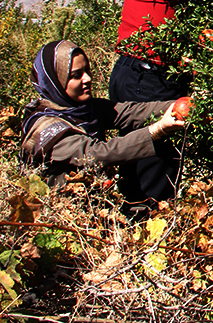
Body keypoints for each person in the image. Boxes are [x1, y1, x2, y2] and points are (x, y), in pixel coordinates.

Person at [20, 40, 186, 208]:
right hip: (63, 215)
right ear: (55, 81)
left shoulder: (86, 108)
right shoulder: (47, 128)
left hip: (94, 205)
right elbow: (97, 154)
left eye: (87, 70)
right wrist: (157, 130)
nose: (88, 78)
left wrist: (183, 105)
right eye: (76, 75)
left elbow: (130, 112)